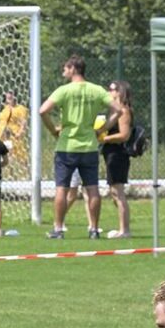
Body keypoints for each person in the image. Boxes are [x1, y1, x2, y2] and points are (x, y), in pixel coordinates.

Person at [39, 55, 110, 239]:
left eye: (65, 68)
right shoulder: (96, 90)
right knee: (92, 188)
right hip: (89, 146)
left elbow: (43, 110)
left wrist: (53, 130)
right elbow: (118, 110)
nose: (63, 71)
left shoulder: (64, 90)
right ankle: (94, 229)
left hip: (67, 146)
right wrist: (103, 129)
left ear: (73, 69)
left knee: (61, 189)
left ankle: (58, 229)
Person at [99, 81, 135, 239]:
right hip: (111, 153)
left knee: (118, 192)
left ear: (120, 92)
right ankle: (122, 228)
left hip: (118, 154)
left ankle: (124, 230)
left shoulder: (124, 111)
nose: (109, 92)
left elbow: (124, 135)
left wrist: (104, 139)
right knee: (114, 192)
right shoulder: (116, 111)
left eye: (112, 89)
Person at [0, 91, 31, 178]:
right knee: (7, 157)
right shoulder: (4, 109)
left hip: (14, 135)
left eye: (11, 97)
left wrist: (20, 133)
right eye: (7, 97)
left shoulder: (20, 109)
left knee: (21, 157)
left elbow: (23, 122)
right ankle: (10, 176)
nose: (9, 99)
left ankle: (28, 174)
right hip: (3, 136)